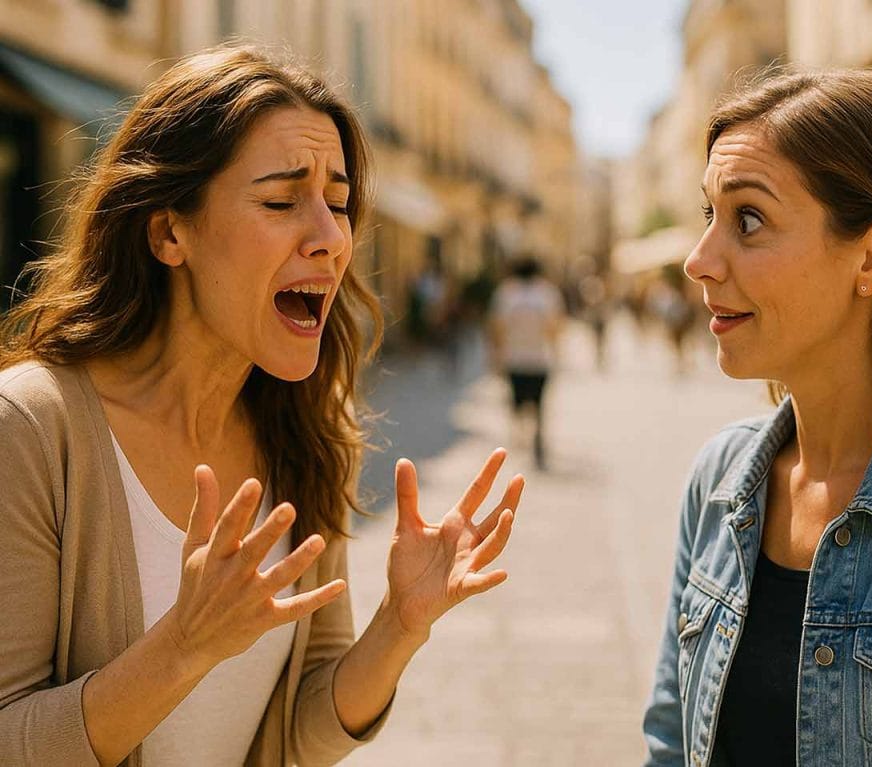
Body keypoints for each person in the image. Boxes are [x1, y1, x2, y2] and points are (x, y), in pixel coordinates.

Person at [0, 45, 524, 767]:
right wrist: (182, 647)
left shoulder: (306, 430)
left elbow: (294, 732)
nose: (331, 238)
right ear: (169, 231)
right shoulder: (29, 428)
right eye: (281, 202)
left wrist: (400, 624)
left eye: (338, 204)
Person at [643, 67, 872, 766]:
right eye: (710, 216)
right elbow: (670, 743)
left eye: (748, 219)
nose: (700, 260)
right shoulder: (720, 482)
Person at [488, 256, 565, 470]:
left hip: (514, 358)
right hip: (540, 358)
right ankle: (537, 437)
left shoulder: (505, 293)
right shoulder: (548, 293)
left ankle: (521, 433)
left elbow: (497, 327)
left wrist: (495, 355)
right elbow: (555, 327)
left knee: (517, 400)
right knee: (539, 403)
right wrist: (557, 352)